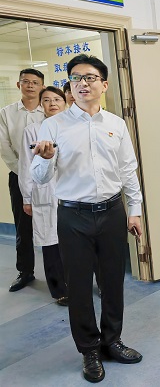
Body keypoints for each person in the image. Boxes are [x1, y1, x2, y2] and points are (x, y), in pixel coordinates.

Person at [31, 54, 143, 383]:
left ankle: (112, 340)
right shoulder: (53, 125)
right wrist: (46, 159)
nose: (83, 83)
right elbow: (39, 177)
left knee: (113, 282)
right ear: (70, 86)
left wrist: (135, 210)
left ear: (104, 85)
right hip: (73, 215)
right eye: (76, 78)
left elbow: (128, 170)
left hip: (111, 211)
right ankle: (89, 350)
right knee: (79, 287)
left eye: (90, 77)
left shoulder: (116, 124)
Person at [18, 87, 68, 306]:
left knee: (78, 243)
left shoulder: (73, 127)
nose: (52, 103)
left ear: (65, 102)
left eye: (57, 99)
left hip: (72, 193)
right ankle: (59, 291)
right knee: (51, 244)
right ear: (41, 105)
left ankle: (81, 284)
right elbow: (25, 165)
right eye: (46, 100)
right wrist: (27, 198)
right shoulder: (32, 131)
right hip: (45, 193)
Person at [0, 68, 45, 292]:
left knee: (56, 224)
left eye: (35, 82)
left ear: (42, 86)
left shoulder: (49, 110)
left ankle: (61, 272)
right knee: (23, 225)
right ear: (18, 85)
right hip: (18, 175)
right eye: (26, 82)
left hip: (50, 178)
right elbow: (4, 145)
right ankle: (25, 271)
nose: (30, 86)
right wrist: (24, 171)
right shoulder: (6, 113)